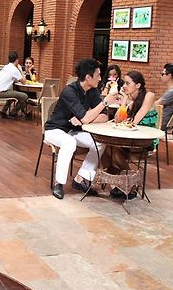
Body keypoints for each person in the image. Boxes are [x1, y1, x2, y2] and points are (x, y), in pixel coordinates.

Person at [44, 58, 120, 199]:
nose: (99, 78)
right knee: (69, 142)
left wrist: (84, 118)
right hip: (54, 130)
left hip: (74, 131)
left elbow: (104, 117)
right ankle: (58, 184)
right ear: (88, 77)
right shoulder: (69, 91)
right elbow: (87, 118)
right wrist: (104, 103)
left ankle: (81, 178)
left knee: (100, 141)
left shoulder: (92, 91)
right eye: (97, 75)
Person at [101, 70, 157, 199]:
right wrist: (124, 101)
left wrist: (127, 119)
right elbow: (117, 120)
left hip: (146, 140)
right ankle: (119, 184)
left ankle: (128, 184)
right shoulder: (131, 102)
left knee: (114, 149)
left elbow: (135, 122)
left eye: (127, 83)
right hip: (130, 139)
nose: (124, 86)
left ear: (138, 85)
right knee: (107, 147)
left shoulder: (149, 95)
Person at [0, 51, 28, 118]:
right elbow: (24, 82)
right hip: (2, 92)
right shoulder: (14, 69)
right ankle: (13, 113)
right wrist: (20, 70)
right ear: (17, 60)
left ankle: (3, 111)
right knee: (24, 96)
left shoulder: (6, 67)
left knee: (13, 93)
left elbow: (13, 78)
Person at [155, 63, 173, 130]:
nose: (161, 76)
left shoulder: (171, 92)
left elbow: (156, 104)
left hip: (161, 123)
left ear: (169, 76)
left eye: (162, 74)